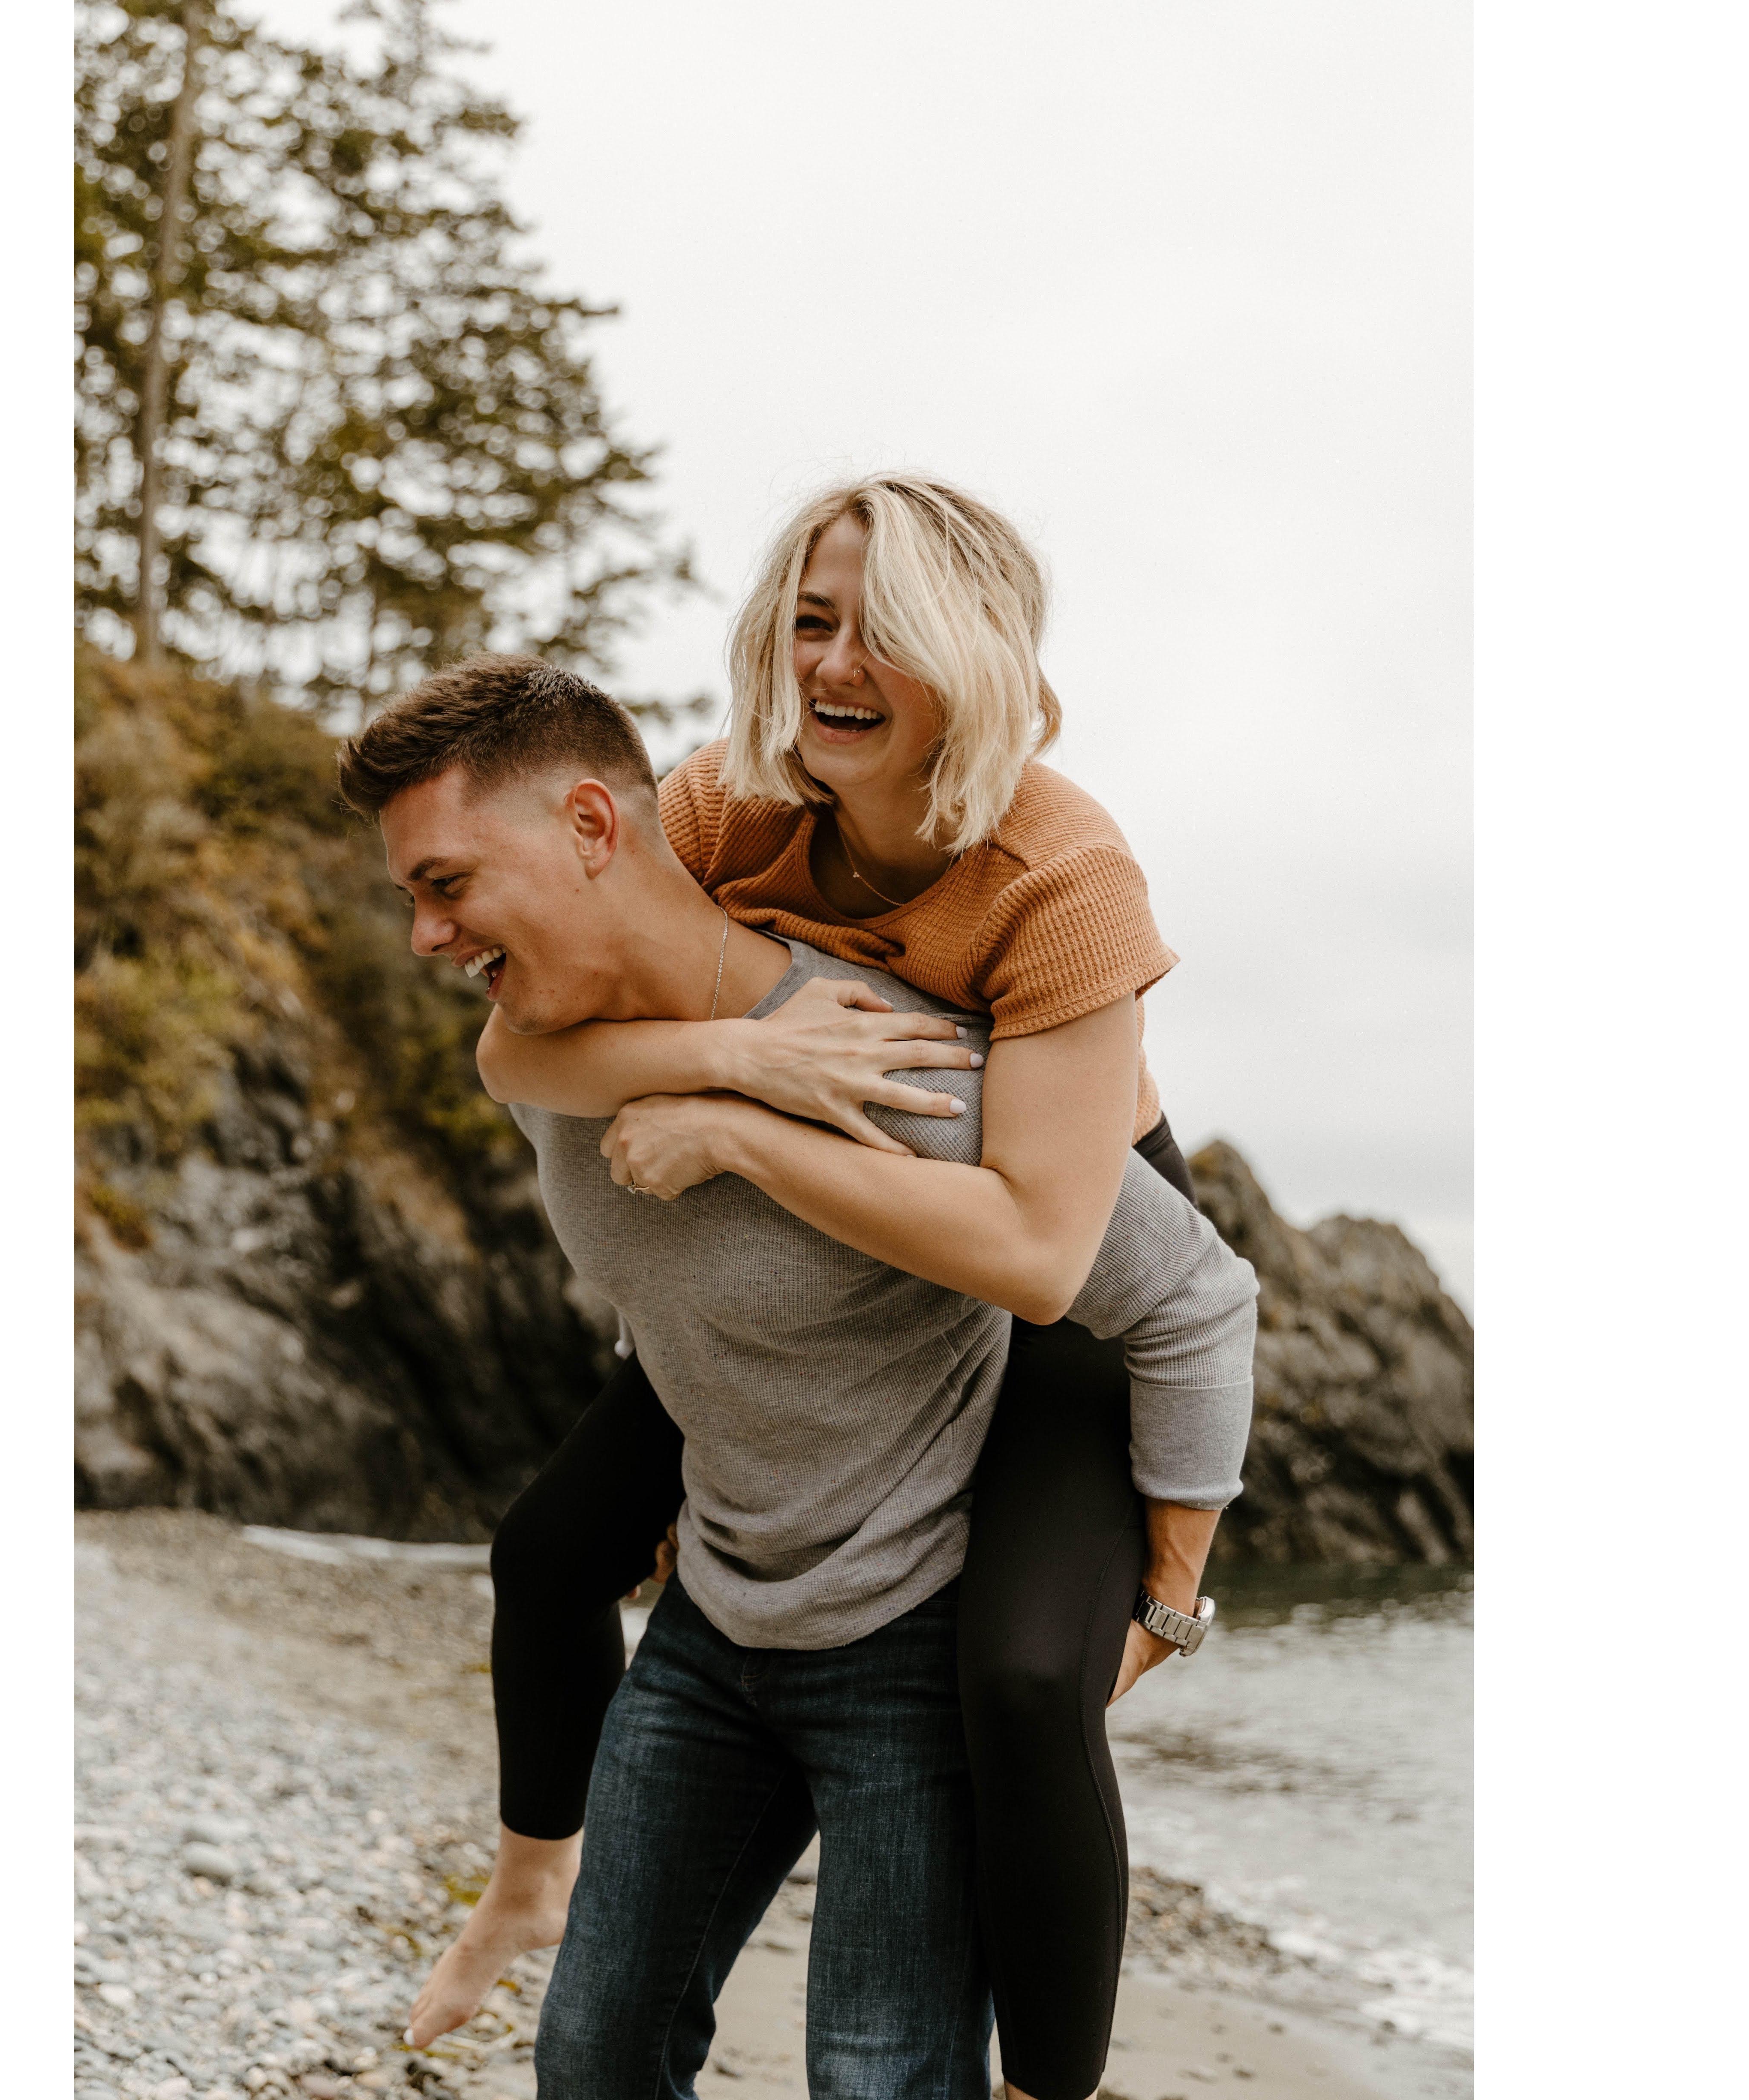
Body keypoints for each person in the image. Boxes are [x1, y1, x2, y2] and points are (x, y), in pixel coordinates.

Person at [336, 620, 1256, 2100]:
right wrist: (729, 1061)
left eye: (446, 885)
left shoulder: (891, 1057)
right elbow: (536, 1097)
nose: (429, 936)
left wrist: (1166, 1590)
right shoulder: (548, 1040)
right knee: (590, 2065)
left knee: (882, 2079)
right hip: (709, 1625)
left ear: (589, 827)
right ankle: (527, 1876)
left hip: (905, 1644)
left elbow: (1190, 1292)